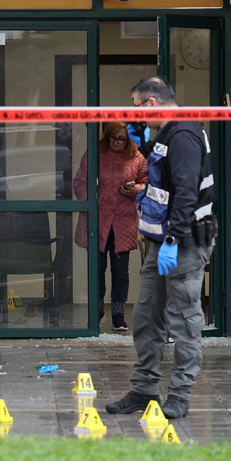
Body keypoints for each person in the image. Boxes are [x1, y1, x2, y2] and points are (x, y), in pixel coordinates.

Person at [106, 77, 216, 420]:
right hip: (162, 243)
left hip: (182, 242)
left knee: (184, 321)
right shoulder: (166, 134)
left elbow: (186, 192)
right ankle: (144, 389)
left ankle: (180, 394)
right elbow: (162, 183)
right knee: (146, 317)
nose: (133, 116)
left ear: (151, 104)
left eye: (135, 108)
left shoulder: (183, 134)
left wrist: (171, 239)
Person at [73, 122, 147, 331]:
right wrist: (90, 201)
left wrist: (134, 190)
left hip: (123, 222)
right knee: (97, 269)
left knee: (120, 271)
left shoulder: (137, 158)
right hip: (98, 219)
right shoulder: (96, 153)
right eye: (113, 138)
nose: (116, 142)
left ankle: (118, 315)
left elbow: (148, 183)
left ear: (128, 140)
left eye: (121, 139)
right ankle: (96, 312)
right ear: (107, 137)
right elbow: (80, 181)